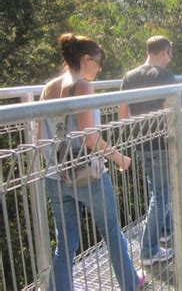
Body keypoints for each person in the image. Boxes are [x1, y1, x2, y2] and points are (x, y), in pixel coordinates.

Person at [40, 33, 144, 290]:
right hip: (87, 176)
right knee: (111, 231)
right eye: (99, 62)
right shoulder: (84, 86)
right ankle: (131, 283)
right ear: (86, 59)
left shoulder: (48, 87)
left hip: (55, 176)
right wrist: (120, 158)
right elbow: (90, 139)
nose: (100, 67)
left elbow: (41, 137)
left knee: (65, 245)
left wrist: (57, 166)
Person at [118, 35, 182, 266]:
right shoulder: (166, 77)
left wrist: (139, 129)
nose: (170, 59)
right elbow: (175, 116)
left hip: (142, 143)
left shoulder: (129, 76)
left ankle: (165, 231)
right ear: (164, 51)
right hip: (162, 143)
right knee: (161, 195)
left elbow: (122, 114)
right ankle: (148, 250)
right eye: (170, 54)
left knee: (157, 190)